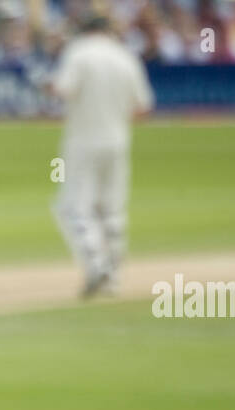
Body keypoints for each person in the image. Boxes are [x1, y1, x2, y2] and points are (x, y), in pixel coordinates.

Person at [50, 14, 154, 297]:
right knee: (111, 208)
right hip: (118, 141)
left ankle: (96, 266)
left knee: (72, 207)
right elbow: (143, 107)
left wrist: (45, 84)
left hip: (83, 140)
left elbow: (63, 90)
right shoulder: (125, 56)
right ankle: (114, 276)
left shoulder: (79, 52)